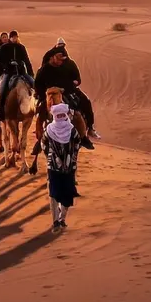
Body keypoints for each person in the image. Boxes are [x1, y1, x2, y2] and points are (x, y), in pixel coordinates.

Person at [34, 44, 94, 149]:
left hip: (67, 93)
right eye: (59, 58)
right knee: (40, 115)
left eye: (62, 59)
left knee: (78, 113)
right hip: (49, 96)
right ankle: (39, 141)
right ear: (52, 57)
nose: (61, 61)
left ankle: (84, 136)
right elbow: (37, 84)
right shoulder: (44, 69)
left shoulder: (67, 65)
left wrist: (74, 83)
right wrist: (41, 95)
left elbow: (75, 79)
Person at [43, 103, 83, 233]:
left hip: (66, 167)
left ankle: (61, 219)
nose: (60, 117)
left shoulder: (71, 130)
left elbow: (77, 142)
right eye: (58, 115)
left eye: (62, 115)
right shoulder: (50, 129)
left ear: (65, 115)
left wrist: (71, 157)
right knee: (54, 194)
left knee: (66, 194)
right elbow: (44, 144)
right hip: (60, 167)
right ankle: (56, 221)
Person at [57, 38, 99, 139]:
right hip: (56, 90)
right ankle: (41, 126)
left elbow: (78, 79)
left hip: (71, 89)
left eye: (62, 46)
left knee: (86, 102)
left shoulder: (71, 64)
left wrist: (76, 81)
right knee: (43, 103)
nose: (61, 48)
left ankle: (90, 128)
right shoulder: (52, 64)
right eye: (59, 46)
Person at [0, 30, 33, 119]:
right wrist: (8, 64)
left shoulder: (21, 47)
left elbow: (26, 60)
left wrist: (30, 72)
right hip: (9, 72)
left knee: (33, 83)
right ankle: (0, 109)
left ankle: (35, 106)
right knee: (3, 88)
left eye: (16, 37)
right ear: (10, 38)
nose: (14, 39)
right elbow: (1, 60)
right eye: (12, 37)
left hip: (21, 72)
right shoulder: (4, 47)